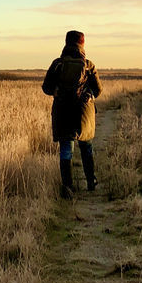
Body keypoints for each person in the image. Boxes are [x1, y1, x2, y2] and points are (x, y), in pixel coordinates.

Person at [41, 29, 101, 199]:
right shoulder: (88, 65)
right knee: (86, 147)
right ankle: (91, 182)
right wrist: (89, 95)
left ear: (66, 43)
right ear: (82, 44)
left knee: (66, 149)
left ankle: (67, 188)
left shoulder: (57, 64)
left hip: (63, 111)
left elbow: (46, 87)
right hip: (83, 112)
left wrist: (57, 91)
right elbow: (98, 90)